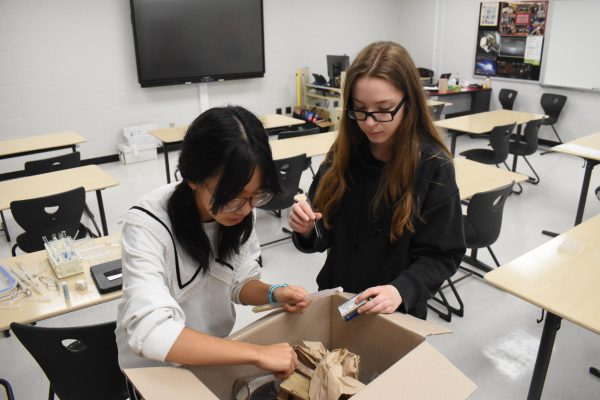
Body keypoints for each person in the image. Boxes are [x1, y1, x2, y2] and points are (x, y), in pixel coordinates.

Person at [116, 106, 310, 378]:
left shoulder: (241, 209)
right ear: (193, 178)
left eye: (257, 195)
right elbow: (150, 333)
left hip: (210, 358)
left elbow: (238, 282)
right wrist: (256, 353)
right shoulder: (147, 225)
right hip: (155, 373)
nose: (245, 209)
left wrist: (273, 293)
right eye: (234, 197)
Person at [288, 41, 465, 320]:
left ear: (410, 103)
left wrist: (401, 290)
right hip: (339, 299)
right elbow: (323, 229)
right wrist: (307, 228)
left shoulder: (432, 166)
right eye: (359, 109)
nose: (370, 122)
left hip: (395, 312)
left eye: (384, 109)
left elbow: (442, 254)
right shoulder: (342, 156)